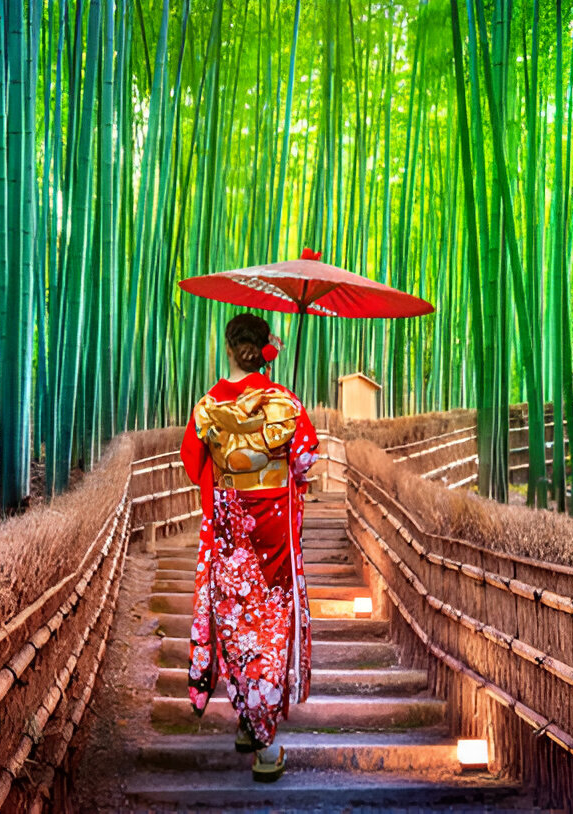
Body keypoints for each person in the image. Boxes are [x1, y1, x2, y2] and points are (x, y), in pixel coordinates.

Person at [178, 313, 318, 783]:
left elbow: (193, 463)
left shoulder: (206, 406)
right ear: (264, 348)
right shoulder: (285, 402)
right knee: (270, 623)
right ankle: (264, 742)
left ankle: (245, 716)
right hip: (273, 530)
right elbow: (302, 460)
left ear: (228, 346)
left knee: (235, 619)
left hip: (228, 528)